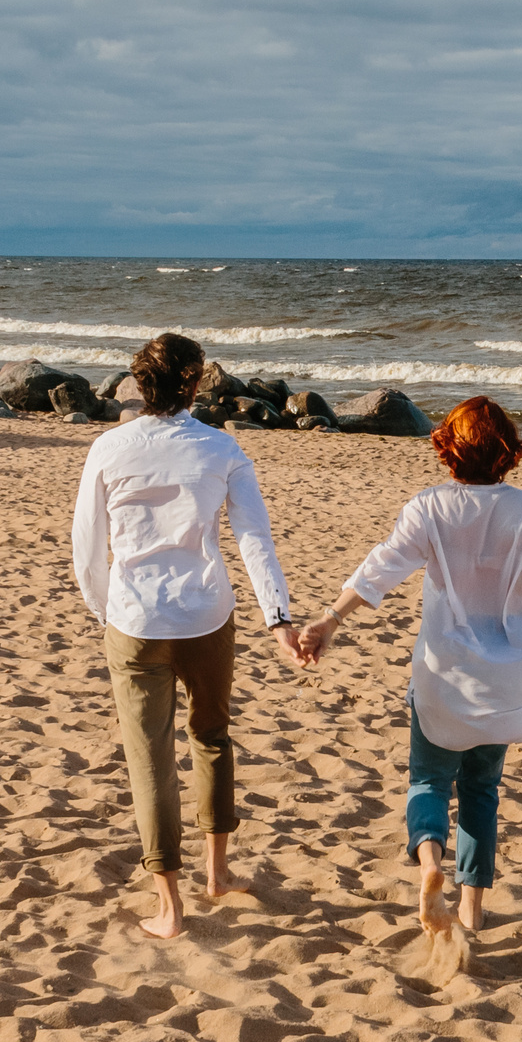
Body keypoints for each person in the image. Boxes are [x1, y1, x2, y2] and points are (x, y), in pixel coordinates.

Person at [298, 396, 522, 984]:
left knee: (428, 780)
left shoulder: (429, 506)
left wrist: (329, 619)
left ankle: (430, 863)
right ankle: (471, 915)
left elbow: (382, 566)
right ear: (508, 450)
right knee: (483, 790)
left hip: (442, 675)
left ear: (448, 448)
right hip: (506, 680)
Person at [72, 332, 304, 941]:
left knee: (149, 760)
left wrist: (109, 612)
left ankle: (170, 908)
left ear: (137, 384)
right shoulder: (221, 449)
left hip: (135, 621)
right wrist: (277, 617)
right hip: (206, 614)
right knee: (212, 738)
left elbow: (86, 549)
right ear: (196, 382)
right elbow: (254, 539)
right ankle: (217, 873)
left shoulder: (108, 447)